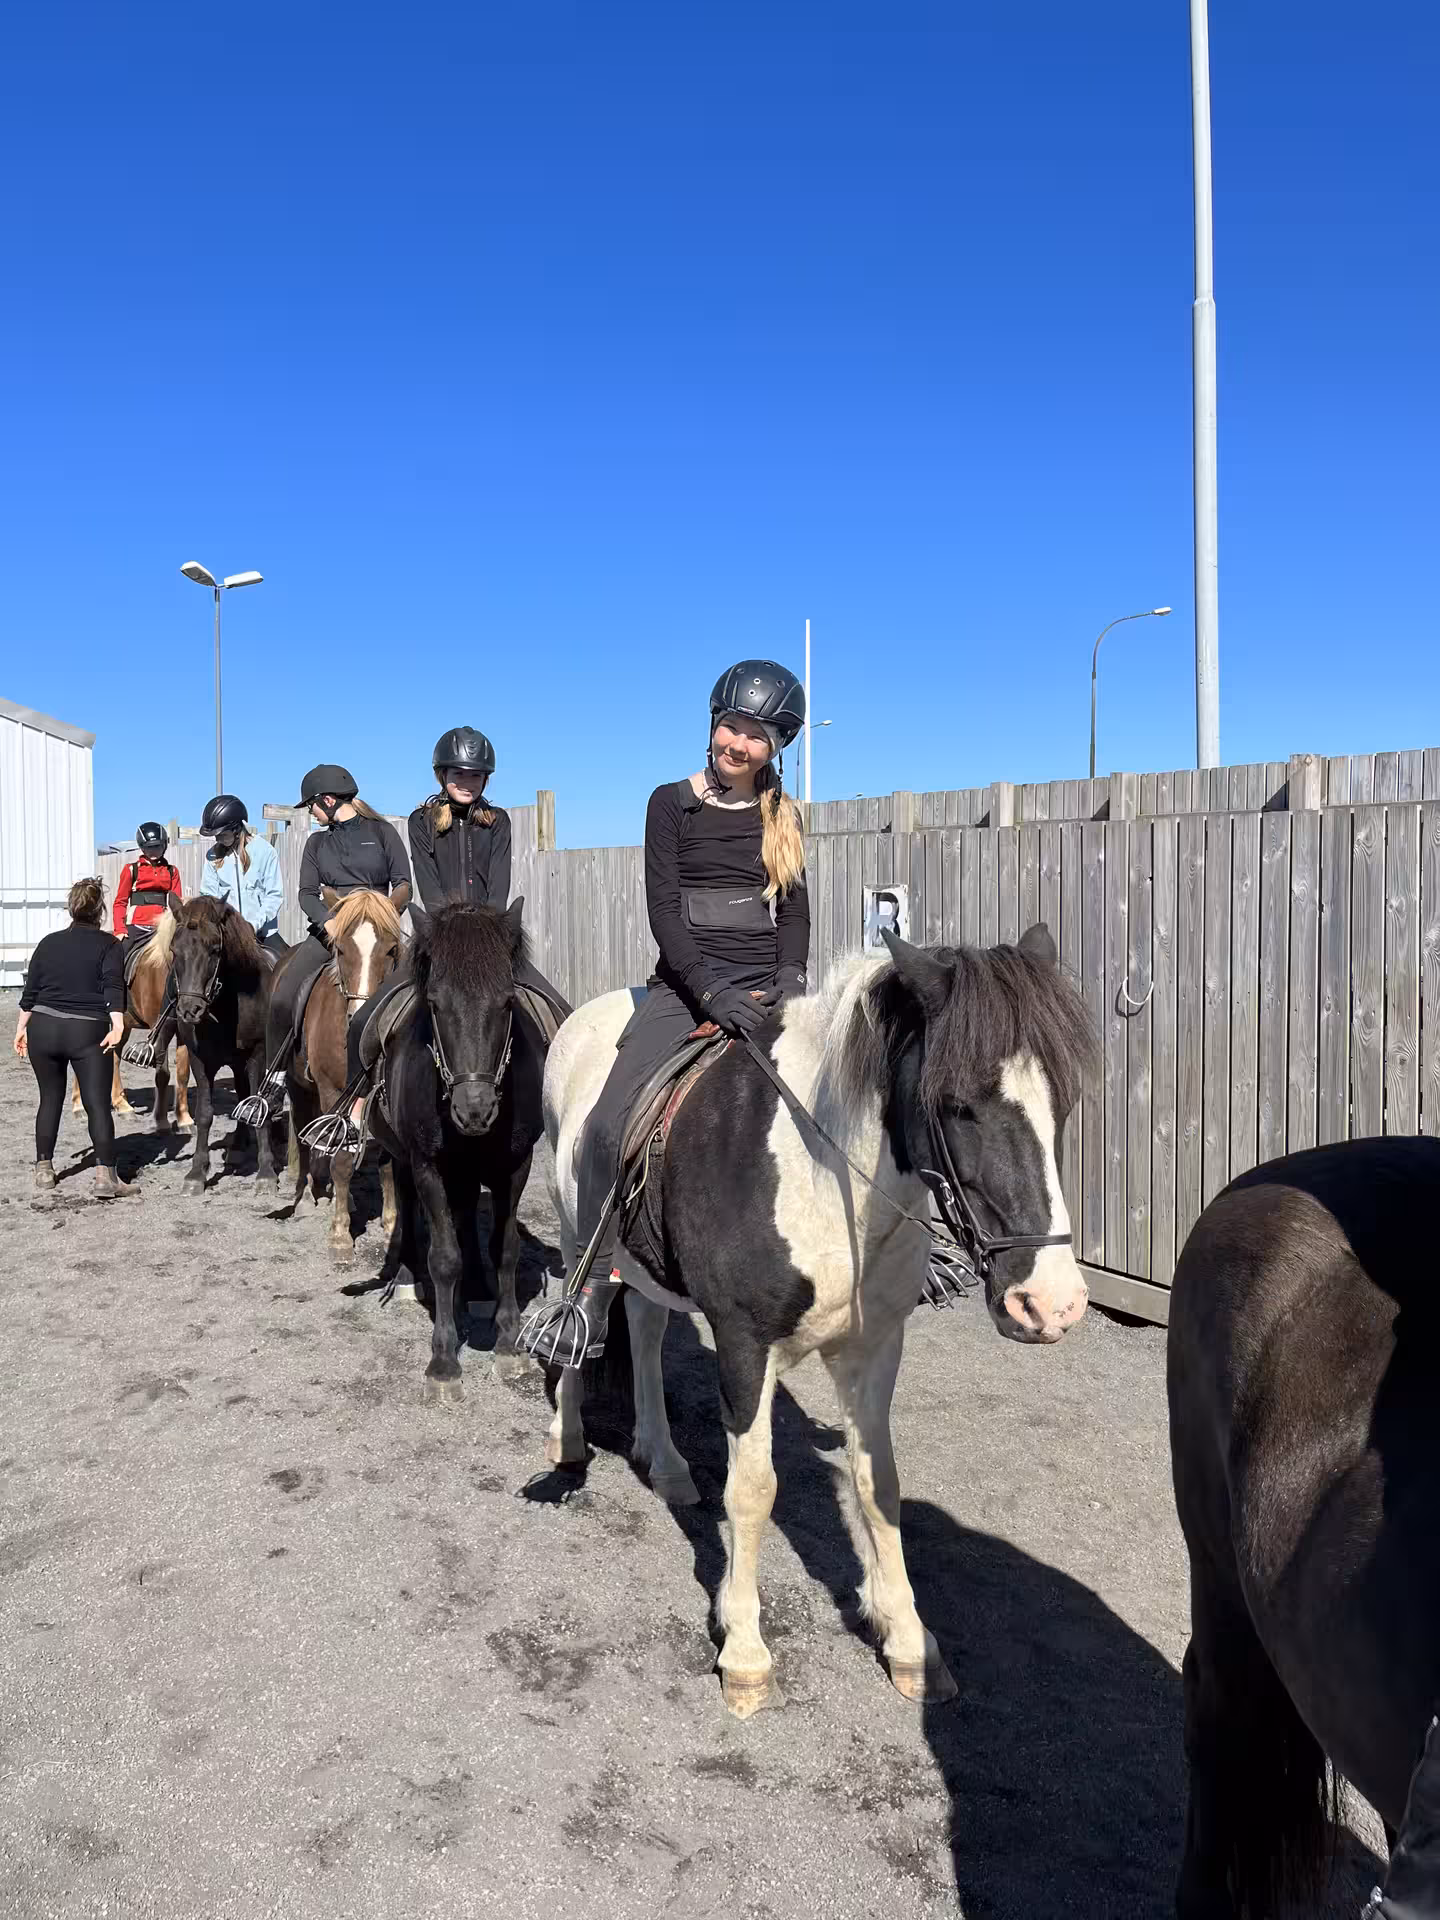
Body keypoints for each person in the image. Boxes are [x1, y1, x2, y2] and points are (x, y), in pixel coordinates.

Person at [525, 658, 810, 1365]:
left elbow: (795, 912)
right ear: (713, 723)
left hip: (770, 992)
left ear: (776, 747)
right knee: (604, 1126)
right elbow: (665, 913)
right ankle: (584, 1296)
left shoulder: (782, 815)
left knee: (841, 1104)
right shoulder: (669, 804)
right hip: (689, 990)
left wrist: (792, 980)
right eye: (731, 726)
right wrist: (712, 994)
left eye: (755, 736)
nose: (737, 744)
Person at [240, 765, 411, 1124]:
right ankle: (274, 1082)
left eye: (312, 807)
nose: (311, 813)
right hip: (330, 931)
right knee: (283, 993)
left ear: (328, 800)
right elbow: (305, 893)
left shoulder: (383, 834)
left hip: (377, 931)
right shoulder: (317, 843)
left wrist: (385, 912)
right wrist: (330, 923)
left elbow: (402, 884)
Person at [14, 877, 137, 1200]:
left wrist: (20, 1028)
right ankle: (104, 1177)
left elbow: (32, 992)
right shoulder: (110, 945)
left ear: (72, 909)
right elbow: (113, 986)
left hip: (43, 1027)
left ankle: (44, 1169)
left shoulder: (48, 942)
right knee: (97, 1104)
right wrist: (117, 1024)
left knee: (50, 1098)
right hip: (87, 1030)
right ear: (101, 910)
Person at [199, 794, 286, 954]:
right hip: (227, 936)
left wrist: (252, 925)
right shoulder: (212, 857)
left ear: (236, 828)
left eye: (222, 834)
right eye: (215, 835)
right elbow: (209, 897)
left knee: (289, 972)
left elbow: (274, 895)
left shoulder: (265, 851)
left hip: (263, 934)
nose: (217, 838)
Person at [112, 822, 183, 955]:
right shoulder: (131, 869)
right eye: (148, 847)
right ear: (142, 848)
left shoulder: (172, 871)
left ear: (164, 846)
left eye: (157, 846)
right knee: (119, 954)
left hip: (163, 926)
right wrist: (120, 929)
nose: (153, 851)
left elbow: (177, 903)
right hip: (136, 925)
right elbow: (120, 902)